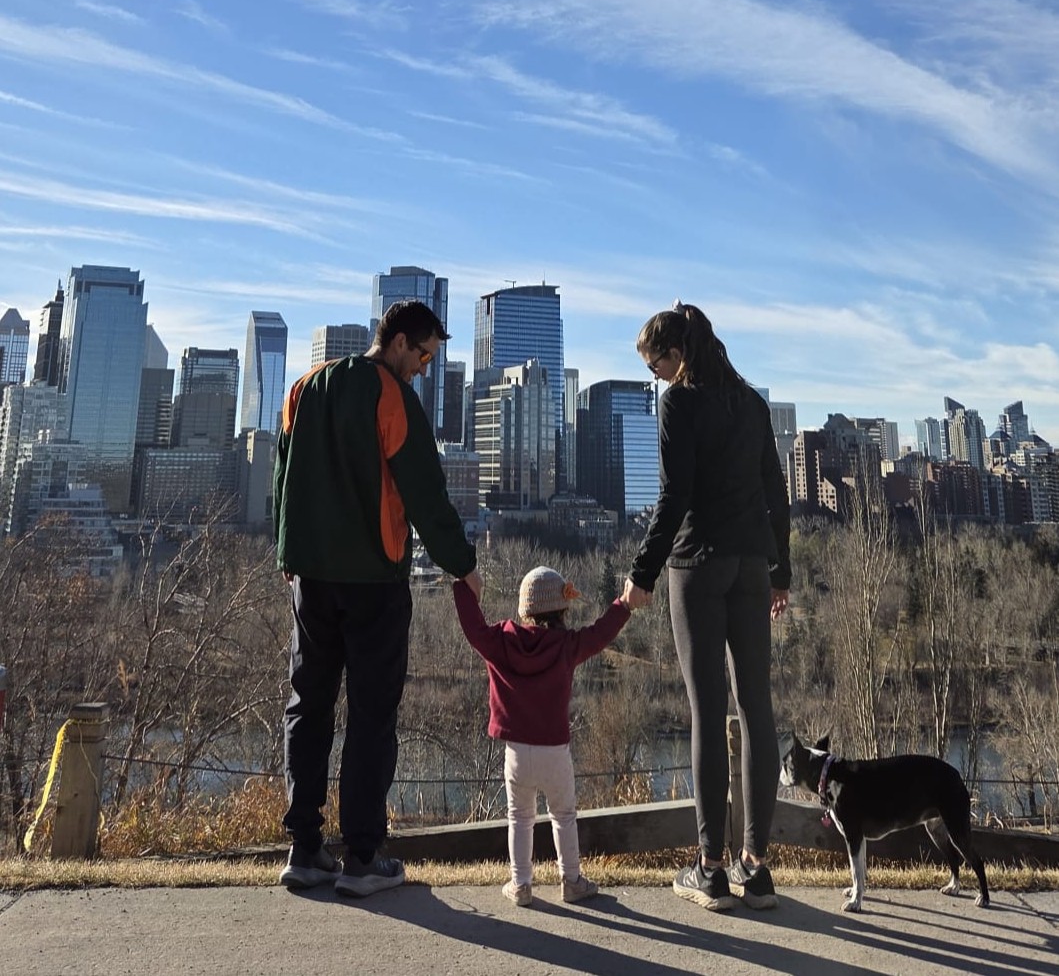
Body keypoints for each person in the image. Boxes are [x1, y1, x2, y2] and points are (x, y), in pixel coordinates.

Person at [274, 300, 482, 897]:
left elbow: (281, 479)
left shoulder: (303, 388)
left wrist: (286, 553)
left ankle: (305, 849)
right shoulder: (391, 396)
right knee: (370, 716)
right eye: (421, 355)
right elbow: (425, 491)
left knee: (307, 706)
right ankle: (363, 856)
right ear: (395, 343)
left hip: (310, 579)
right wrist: (462, 567)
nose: (422, 368)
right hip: (374, 581)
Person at [623, 300, 790, 912]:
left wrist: (641, 575)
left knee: (707, 712)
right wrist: (782, 573)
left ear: (678, 353)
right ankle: (759, 868)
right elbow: (778, 493)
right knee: (757, 709)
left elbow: (675, 496)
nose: (657, 377)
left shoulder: (681, 402)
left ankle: (712, 870)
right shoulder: (750, 403)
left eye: (657, 363)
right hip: (752, 564)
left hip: (697, 566)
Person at [453, 566, 633, 907]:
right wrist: (623, 603)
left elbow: (472, 628)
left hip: (517, 752)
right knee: (563, 816)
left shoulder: (502, 642)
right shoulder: (567, 646)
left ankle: (521, 884)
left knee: (519, 818)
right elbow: (600, 633)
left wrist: (463, 587)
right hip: (555, 750)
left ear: (525, 610)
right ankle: (572, 880)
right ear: (562, 611)